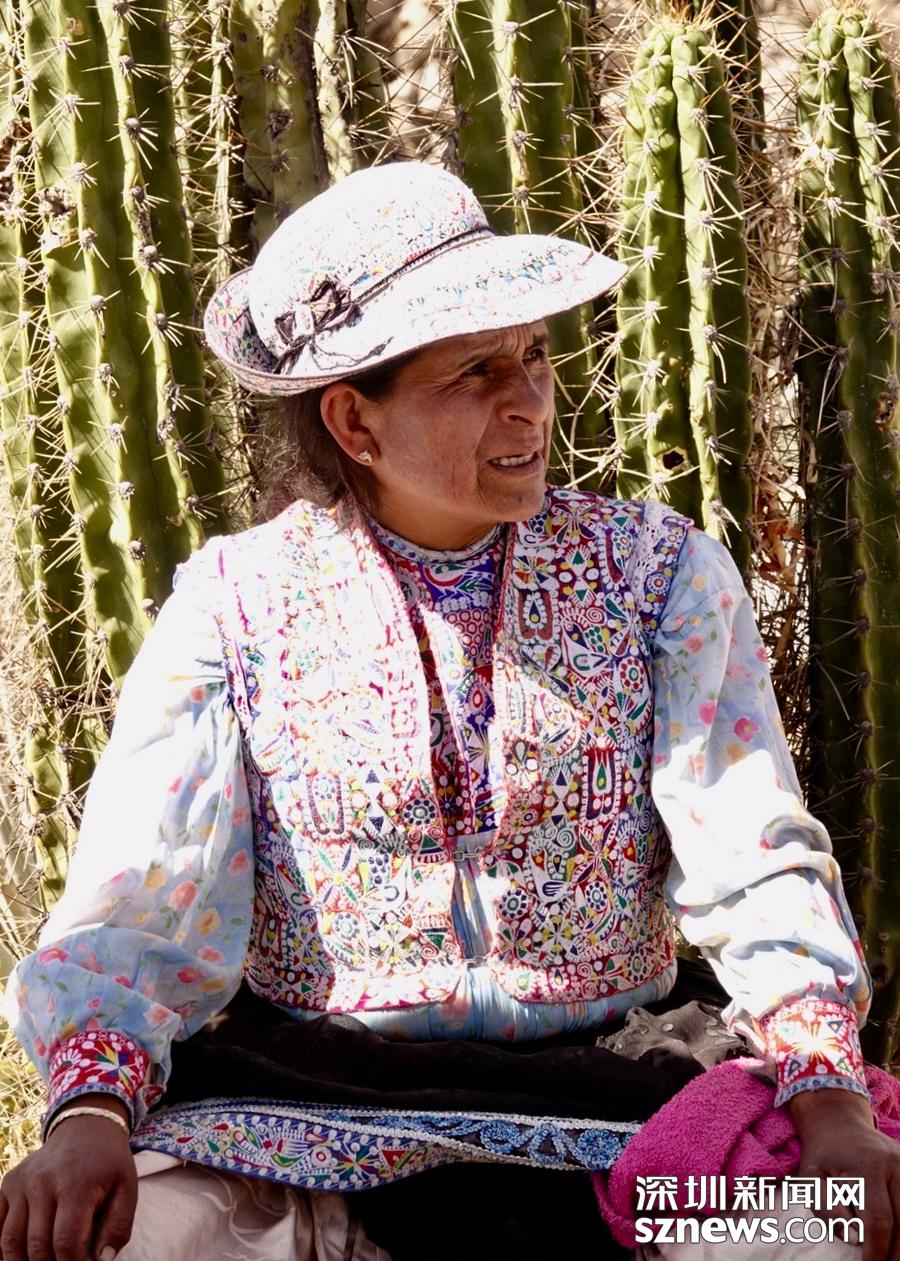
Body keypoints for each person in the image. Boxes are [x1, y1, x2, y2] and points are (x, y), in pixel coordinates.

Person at [0, 160, 896, 1261]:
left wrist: (830, 1100)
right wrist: (89, 1112)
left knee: (820, 1235)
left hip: (626, 1096)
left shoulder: (660, 574)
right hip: (314, 1108)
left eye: (534, 356)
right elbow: (140, 895)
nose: (530, 400)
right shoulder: (234, 607)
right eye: (475, 372)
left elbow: (751, 851)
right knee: (124, 1242)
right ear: (354, 421)